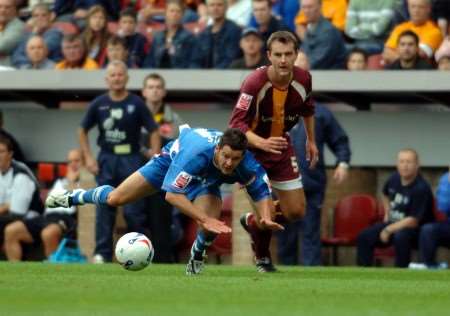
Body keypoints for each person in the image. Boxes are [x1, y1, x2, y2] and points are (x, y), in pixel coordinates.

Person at [46, 127, 282, 274]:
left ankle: (196, 257)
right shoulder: (197, 154)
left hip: (206, 180)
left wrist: (266, 218)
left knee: (212, 224)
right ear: (218, 149)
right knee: (116, 198)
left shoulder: (247, 163)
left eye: (235, 159)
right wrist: (202, 217)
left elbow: (261, 192)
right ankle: (73, 197)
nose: (230, 163)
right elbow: (172, 195)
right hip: (169, 164)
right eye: (226, 156)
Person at [229, 31, 319, 272]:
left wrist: (311, 141)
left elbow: (308, 109)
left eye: (288, 54)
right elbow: (236, 124)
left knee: (297, 211)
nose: (283, 60)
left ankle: (253, 222)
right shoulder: (253, 83)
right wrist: (261, 143)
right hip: (251, 152)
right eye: (277, 55)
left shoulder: (304, 79)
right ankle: (262, 258)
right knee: (266, 211)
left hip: (281, 147)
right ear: (268, 55)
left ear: (296, 55)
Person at [76, 60, 161, 263]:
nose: (116, 78)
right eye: (112, 75)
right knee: (104, 206)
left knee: (135, 209)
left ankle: (142, 253)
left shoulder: (136, 103)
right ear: (107, 79)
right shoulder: (98, 103)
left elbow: (154, 130)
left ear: (127, 78)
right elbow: (82, 130)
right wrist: (88, 156)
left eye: (120, 75)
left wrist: (156, 157)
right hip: (107, 158)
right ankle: (102, 254)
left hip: (131, 159)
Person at [276, 53, 351, 266]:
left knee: (310, 234)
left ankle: (312, 283)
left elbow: (340, 141)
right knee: (285, 238)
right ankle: (284, 284)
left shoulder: (321, 113)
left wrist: (343, 163)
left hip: (312, 183)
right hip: (282, 185)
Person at [357, 148, 435, 268]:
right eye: (402, 162)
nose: (405, 166)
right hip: (393, 223)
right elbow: (384, 193)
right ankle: (363, 272)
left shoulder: (421, 188)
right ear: (397, 164)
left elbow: (413, 221)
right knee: (365, 236)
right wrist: (387, 212)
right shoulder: (394, 179)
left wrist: (389, 230)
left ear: (417, 165)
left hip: (415, 230)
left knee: (401, 236)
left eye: (409, 162)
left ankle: (401, 272)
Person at [4, 149, 83, 261]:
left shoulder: (89, 181)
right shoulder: (60, 181)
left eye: (77, 161)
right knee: (11, 230)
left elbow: (75, 205)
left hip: (67, 218)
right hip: (47, 216)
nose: (73, 164)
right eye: (70, 161)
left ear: (84, 162)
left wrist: (72, 182)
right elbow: (49, 201)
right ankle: (16, 271)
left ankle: (53, 271)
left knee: (48, 233)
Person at [141, 72, 184, 262]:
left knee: (162, 225)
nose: (154, 91)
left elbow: (182, 146)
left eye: (158, 87)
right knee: (137, 220)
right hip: (138, 174)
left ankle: (163, 261)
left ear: (164, 91)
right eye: (150, 87)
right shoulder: (136, 113)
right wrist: (145, 152)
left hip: (163, 179)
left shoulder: (174, 120)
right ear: (144, 91)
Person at [0, 136, 43, 252]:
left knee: (8, 228)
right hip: (7, 216)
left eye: (1, 152)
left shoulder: (20, 174)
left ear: (10, 154)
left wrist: (6, 207)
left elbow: (17, 213)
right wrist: (6, 206)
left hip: (31, 218)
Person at [382, 0, 443, 65]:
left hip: (419, 72)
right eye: (413, 6)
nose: (416, 10)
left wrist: (394, 56)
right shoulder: (399, 28)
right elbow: (386, 53)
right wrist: (405, 60)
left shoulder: (435, 32)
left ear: (428, 9)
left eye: (421, 7)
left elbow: (418, 56)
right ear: (408, 8)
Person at [413, 169, 450, 269]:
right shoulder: (446, 179)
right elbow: (443, 207)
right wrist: (448, 184)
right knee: (428, 230)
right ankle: (428, 266)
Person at [143, 0, 195, 69]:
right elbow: (149, 62)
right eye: (172, 11)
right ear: (166, 13)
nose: (174, 14)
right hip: (158, 77)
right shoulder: (158, 37)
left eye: (178, 11)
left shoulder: (189, 37)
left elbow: (192, 63)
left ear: (182, 15)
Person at [190, 0, 241, 69]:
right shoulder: (204, 33)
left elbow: (230, 59)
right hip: (203, 77)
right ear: (207, 8)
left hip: (226, 76)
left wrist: (212, 75)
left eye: (219, 5)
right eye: (212, 5)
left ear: (226, 7)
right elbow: (196, 60)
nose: (215, 8)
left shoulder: (234, 30)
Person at [11, 3, 62, 68]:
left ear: (51, 16)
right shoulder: (28, 34)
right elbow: (16, 56)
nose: (40, 18)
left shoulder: (55, 34)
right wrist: (27, 65)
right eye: (36, 16)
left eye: (44, 15)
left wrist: (34, 32)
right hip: (30, 69)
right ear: (32, 19)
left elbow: (38, 54)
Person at [299, 0, 347, 70]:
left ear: (320, 7)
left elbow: (316, 62)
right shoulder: (311, 27)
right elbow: (303, 54)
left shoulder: (328, 31)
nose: (306, 11)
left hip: (331, 77)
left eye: (310, 7)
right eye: (304, 7)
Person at [0, 0, 25, 66]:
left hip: (8, 68)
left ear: (14, 10)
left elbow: (2, 46)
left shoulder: (19, 26)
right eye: (0, 7)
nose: (3, 10)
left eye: (7, 7)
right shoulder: (2, 24)